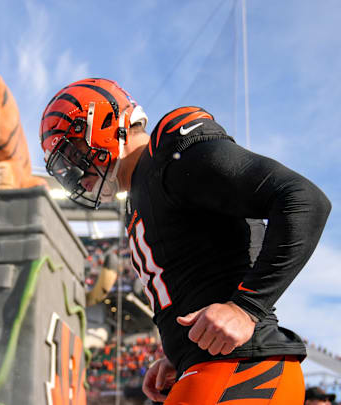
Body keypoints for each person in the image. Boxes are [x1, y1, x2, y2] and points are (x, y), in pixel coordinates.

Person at [39, 78, 331, 404]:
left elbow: (303, 199)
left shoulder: (169, 152)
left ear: (100, 125)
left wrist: (246, 307)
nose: (72, 171)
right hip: (207, 367)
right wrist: (178, 350)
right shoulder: (136, 196)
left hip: (244, 367)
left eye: (72, 153)